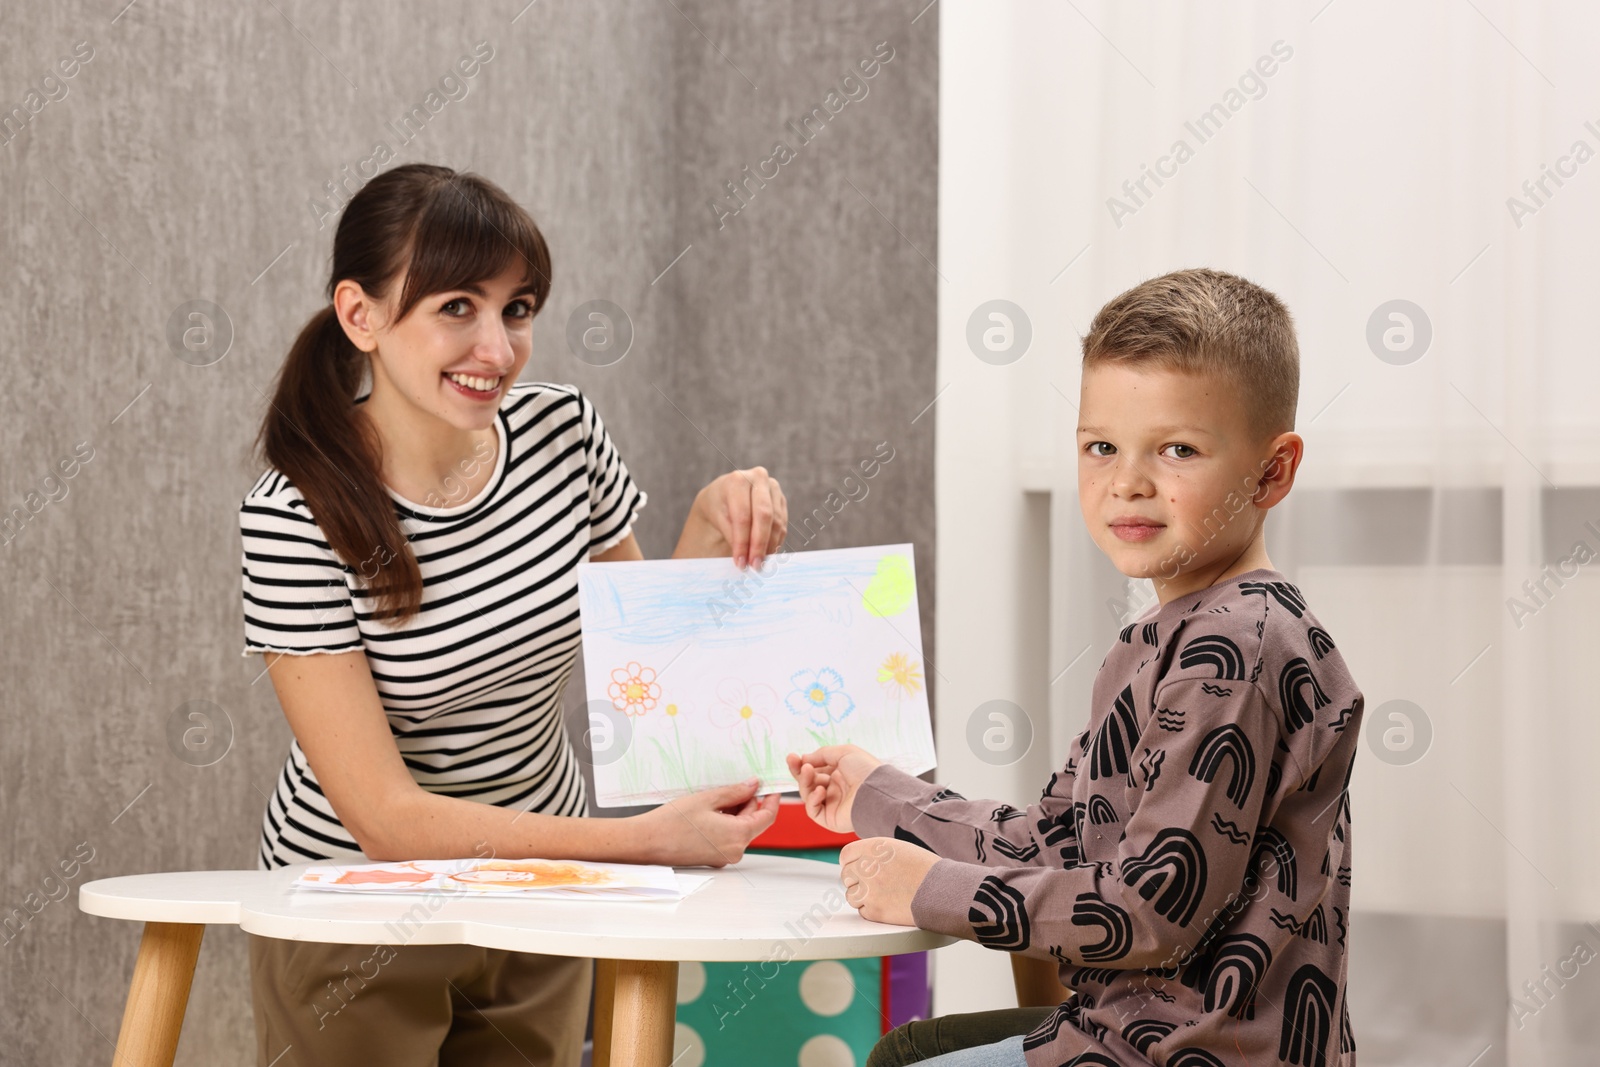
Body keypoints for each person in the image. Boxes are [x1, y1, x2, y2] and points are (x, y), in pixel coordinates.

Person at [239, 163, 782, 1067]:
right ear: (360, 314)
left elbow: (641, 677)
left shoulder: (563, 433)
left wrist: (710, 518)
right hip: (361, 909)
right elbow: (386, 818)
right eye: (457, 306)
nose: (497, 347)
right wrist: (638, 844)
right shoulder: (294, 514)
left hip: (544, 898)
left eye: (517, 308)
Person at [790, 269, 1363, 1067]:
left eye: (1177, 449)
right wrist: (880, 794)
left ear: (1272, 471)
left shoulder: (1234, 650)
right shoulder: (1169, 634)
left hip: (1193, 1049)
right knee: (909, 1048)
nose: (1127, 480)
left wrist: (928, 888)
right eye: (1102, 447)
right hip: (1134, 1028)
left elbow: (1151, 907)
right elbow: (1058, 840)